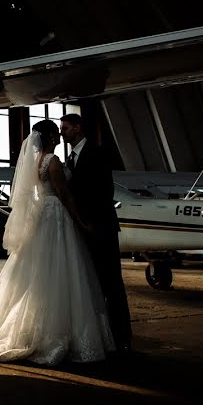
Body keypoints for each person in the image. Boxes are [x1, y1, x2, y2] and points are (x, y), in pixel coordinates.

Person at [0, 120, 115, 365]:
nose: (60, 134)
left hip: (42, 214)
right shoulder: (52, 161)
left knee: (38, 273)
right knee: (60, 270)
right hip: (56, 215)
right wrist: (82, 222)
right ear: (50, 136)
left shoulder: (35, 162)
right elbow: (64, 195)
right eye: (57, 131)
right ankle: (57, 331)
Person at [59, 113, 132, 355]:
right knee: (91, 284)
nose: (62, 133)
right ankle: (102, 335)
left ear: (78, 128)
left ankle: (122, 338)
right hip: (81, 230)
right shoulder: (68, 159)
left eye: (66, 128)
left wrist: (91, 223)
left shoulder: (97, 153)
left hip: (101, 228)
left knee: (111, 284)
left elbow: (104, 192)